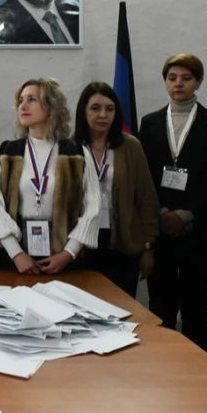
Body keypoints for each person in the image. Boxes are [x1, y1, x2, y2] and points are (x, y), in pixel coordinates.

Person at [138, 53, 207, 352]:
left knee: (196, 309)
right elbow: (146, 174)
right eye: (172, 77)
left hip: (199, 230)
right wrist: (162, 212)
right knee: (160, 307)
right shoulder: (149, 122)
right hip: (160, 229)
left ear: (198, 82)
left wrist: (186, 214)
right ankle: (161, 370)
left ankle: (201, 371)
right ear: (165, 81)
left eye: (186, 78)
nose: (178, 84)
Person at [0, 78, 99, 274]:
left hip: (64, 258)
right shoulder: (7, 152)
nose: (23, 105)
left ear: (52, 106)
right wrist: (16, 254)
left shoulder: (76, 153)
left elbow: (92, 208)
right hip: (15, 260)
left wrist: (68, 253)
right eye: (21, 100)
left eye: (32, 99)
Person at [71, 82, 160, 297]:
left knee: (122, 309)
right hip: (80, 244)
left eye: (110, 109)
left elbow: (146, 198)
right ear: (83, 111)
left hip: (122, 242)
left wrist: (148, 245)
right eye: (95, 108)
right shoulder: (70, 147)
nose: (103, 114)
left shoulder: (130, 146)